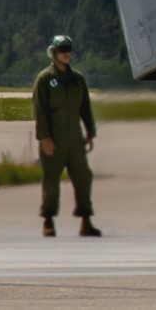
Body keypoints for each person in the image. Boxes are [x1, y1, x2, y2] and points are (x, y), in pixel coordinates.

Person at [31, 35, 100, 237]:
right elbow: (39, 110)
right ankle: (48, 220)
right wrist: (44, 138)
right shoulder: (44, 79)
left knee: (83, 178)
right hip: (53, 139)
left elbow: (85, 108)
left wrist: (90, 133)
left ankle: (86, 221)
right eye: (62, 49)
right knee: (51, 181)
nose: (66, 53)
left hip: (75, 139)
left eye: (68, 49)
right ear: (53, 52)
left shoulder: (78, 79)